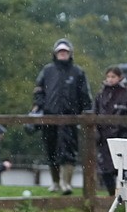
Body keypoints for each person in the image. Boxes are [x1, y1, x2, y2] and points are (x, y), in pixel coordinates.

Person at [33, 38, 92, 194]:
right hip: (50, 117)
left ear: (70, 53)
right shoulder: (47, 71)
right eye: (60, 51)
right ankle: (55, 182)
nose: (62, 54)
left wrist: (84, 114)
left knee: (69, 151)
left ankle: (67, 184)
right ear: (55, 53)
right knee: (50, 149)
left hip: (70, 118)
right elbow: (38, 91)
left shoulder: (78, 72)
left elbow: (85, 96)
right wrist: (42, 106)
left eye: (65, 51)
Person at [94, 65, 127, 195]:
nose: (110, 79)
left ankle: (124, 197)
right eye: (108, 76)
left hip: (121, 137)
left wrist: (121, 125)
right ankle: (112, 196)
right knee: (105, 170)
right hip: (104, 138)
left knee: (122, 169)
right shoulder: (100, 95)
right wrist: (97, 132)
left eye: (113, 76)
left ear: (119, 78)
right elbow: (94, 115)